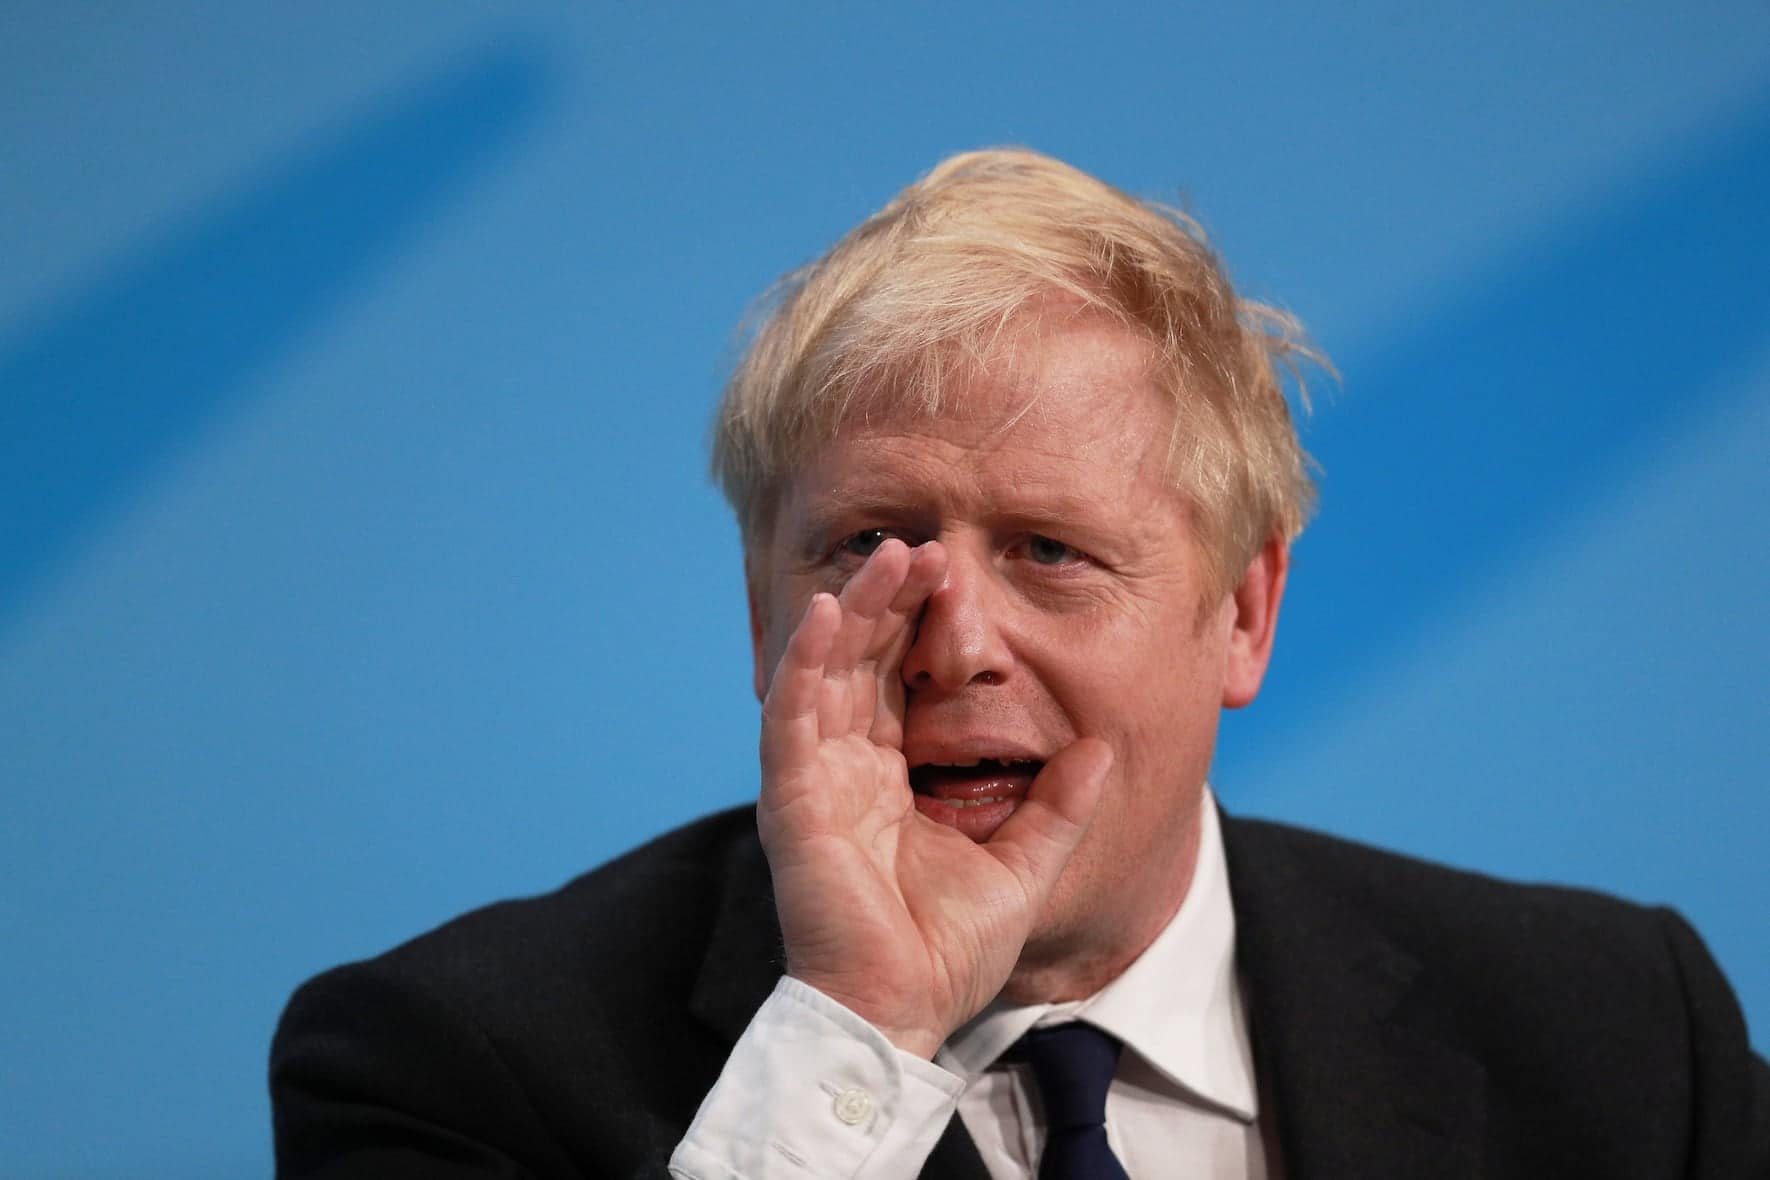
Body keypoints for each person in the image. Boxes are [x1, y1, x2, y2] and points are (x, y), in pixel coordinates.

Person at [270, 149, 1769, 1178]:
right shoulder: (451, 1065)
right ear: (760, 614)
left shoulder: (1618, 1035)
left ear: (1243, 613)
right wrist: (854, 1034)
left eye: (1050, 551)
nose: (956, 643)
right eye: (866, 548)